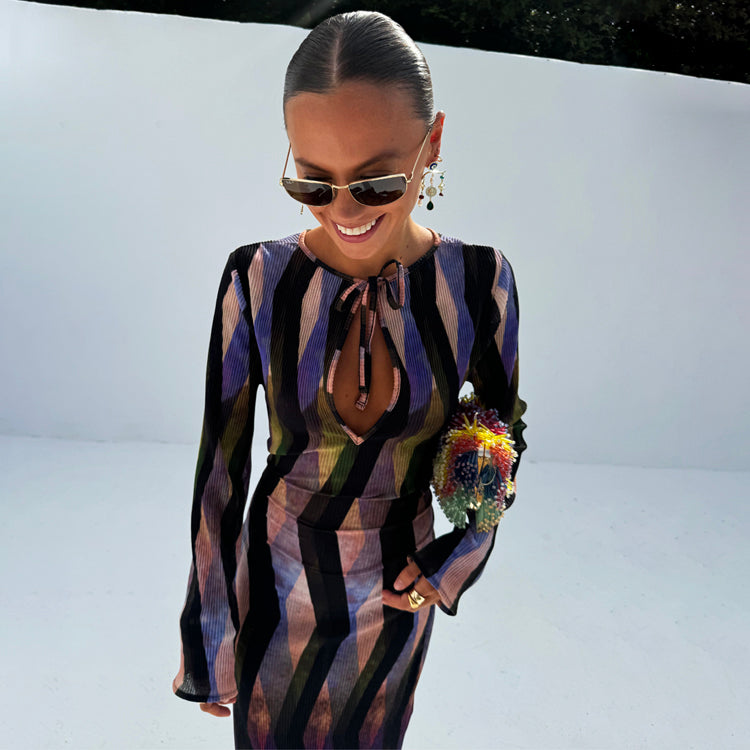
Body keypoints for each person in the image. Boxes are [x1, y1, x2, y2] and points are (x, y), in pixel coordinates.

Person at [172, 10, 528, 749]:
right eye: (311, 180)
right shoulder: (256, 278)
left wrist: (457, 559)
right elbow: (220, 470)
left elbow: (500, 435)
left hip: (399, 591)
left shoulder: (479, 284)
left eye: (377, 182)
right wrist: (209, 633)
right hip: (275, 581)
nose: (342, 210)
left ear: (433, 142)